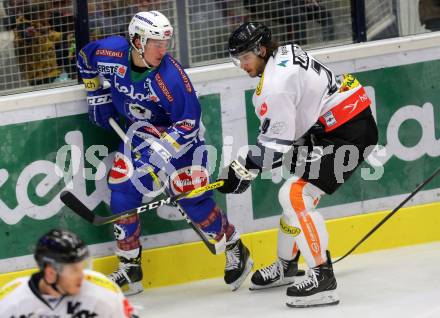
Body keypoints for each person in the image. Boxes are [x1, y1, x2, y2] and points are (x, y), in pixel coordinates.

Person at [76, 11, 253, 295]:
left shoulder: (170, 77)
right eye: (154, 42)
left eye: (165, 43)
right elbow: (85, 58)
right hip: (138, 136)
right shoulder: (110, 52)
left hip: (180, 139)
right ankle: (130, 268)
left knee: (194, 200)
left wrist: (162, 150)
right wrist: (94, 92)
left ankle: (234, 245)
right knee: (122, 192)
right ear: (136, 40)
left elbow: (189, 122)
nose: (162, 49)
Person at [218, 22, 378, 307]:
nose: (241, 65)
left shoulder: (275, 87)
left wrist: (243, 169)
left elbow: (276, 146)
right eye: (237, 59)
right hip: (336, 122)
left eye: (244, 57)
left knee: (295, 195)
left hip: (348, 130)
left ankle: (322, 278)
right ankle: (287, 266)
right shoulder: (284, 53)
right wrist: (247, 166)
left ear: (261, 50)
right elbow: (290, 126)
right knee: (293, 195)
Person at [0, 229, 136, 317]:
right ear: (50, 273)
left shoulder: (103, 291)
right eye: (73, 270)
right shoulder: (9, 301)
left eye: (82, 267)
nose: (82, 275)